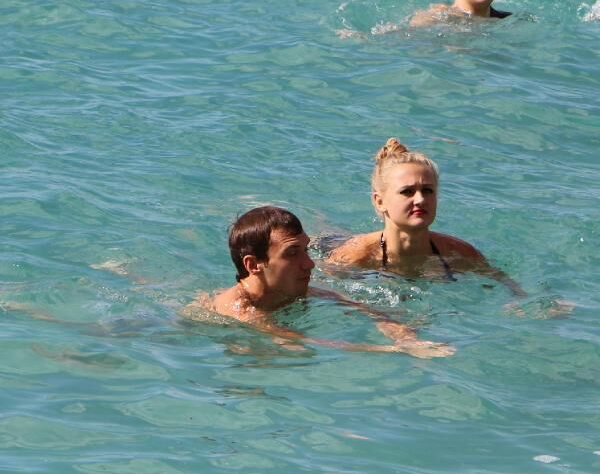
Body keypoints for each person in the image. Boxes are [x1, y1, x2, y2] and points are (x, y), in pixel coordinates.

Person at [182, 205, 454, 358]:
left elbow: (360, 308)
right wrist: (392, 350)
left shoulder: (291, 287)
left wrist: (405, 335)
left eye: (305, 249)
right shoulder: (241, 311)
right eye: (292, 253)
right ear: (253, 265)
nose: (309, 263)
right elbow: (308, 342)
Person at [326, 139, 526, 295]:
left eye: (428, 190)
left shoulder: (460, 253)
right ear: (380, 201)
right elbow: (328, 294)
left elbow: (508, 286)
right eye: (407, 191)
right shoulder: (354, 257)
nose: (420, 199)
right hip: (331, 244)